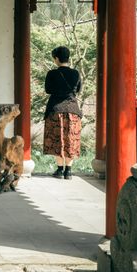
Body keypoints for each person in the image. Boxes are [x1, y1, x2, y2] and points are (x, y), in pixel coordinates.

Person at [43, 46, 82, 180]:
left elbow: (48, 90)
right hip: (73, 110)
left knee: (56, 139)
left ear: (57, 58)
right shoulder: (76, 73)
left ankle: (59, 170)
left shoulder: (52, 74)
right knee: (71, 139)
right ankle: (69, 171)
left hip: (56, 109)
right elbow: (78, 90)